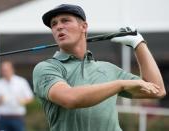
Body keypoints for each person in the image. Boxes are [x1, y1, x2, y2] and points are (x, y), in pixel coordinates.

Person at [33, 4, 166, 131]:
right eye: (54, 24)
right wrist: (120, 84)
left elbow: (157, 90)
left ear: (83, 27)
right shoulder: (47, 68)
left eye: (65, 21)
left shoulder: (107, 68)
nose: (59, 27)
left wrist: (139, 44)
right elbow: (70, 98)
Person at [0, 61, 34, 131]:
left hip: (17, 117)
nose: (5, 72)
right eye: (3, 70)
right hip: (3, 118)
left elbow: (30, 98)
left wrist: (22, 101)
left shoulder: (21, 81)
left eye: (6, 70)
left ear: (12, 69)